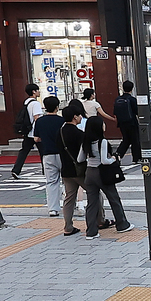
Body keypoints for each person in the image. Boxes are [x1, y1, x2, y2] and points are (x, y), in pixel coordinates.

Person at [81, 116, 132, 238]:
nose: (104, 125)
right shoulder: (102, 141)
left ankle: (91, 231)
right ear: (99, 127)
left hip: (89, 173)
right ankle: (122, 224)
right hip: (101, 173)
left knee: (91, 203)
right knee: (114, 198)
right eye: (103, 123)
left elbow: (80, 159)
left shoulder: (85, 140)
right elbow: (104, 161)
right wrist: (114, 159)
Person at [58, 101, 88, 237]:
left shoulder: (60, 132)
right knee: (94, 193)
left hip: (65, 170)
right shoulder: (78, 133)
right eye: (79, 115)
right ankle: (99, 221)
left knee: (69, 198)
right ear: (75, 117)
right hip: (79, 170)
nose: (81, 117)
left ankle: (68, 227)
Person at [32, 96, 64, 218]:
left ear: (45, 107)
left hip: (47, 154)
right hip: (62, 154)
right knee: (67, 180)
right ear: (57, 107)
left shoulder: (40, 121)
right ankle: (70, 204)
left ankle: (53, 209)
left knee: (51, 181)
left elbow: (36, 138)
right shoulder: (62, 121)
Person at [11, 83, 44, 178]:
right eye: (37, 90)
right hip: (35, 132)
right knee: (43, 151)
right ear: (34, 91)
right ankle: (45, 170)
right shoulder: (36, 104)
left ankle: (16, 170)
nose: (39, 92)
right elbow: (37, 118)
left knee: (24, 151)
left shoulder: (26, 102)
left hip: (28, 132)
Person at [113, 81, 142, 164]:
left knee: (126, 140)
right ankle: (136, 158)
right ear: (132, 89)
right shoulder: (132, 99)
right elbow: (137, 112)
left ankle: (118, 154)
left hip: (122, 123)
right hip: (132, 123)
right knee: (135, 140)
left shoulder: (118, 99)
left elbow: (115, 113)